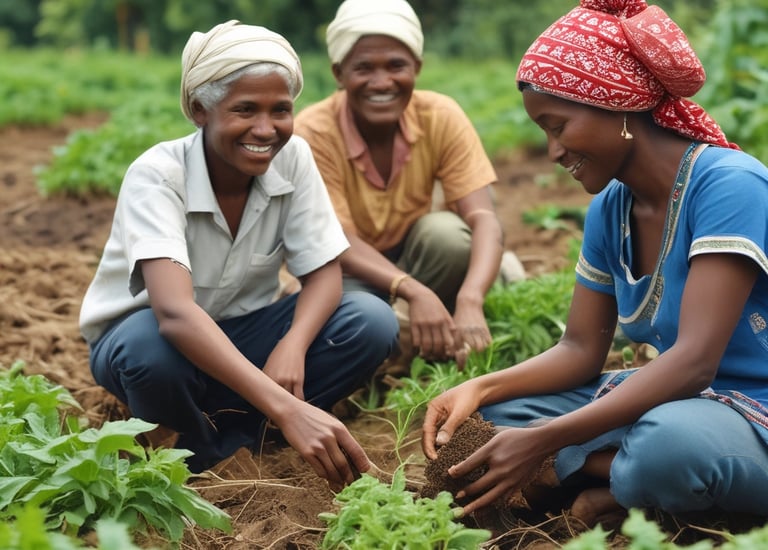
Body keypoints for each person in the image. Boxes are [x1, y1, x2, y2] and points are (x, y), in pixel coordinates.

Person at [422, 0, 768, 527]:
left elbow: (696, 360)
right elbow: (581, 348)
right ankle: (621, 481)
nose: (553, 151)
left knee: (667, 446)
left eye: (558, 126)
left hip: (749, 410)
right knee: (490, 421)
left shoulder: (728, 184)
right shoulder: (612, 206)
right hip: (678, 399)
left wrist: (549, 439)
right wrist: (481, 387)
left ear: (620, 106)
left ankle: (613, 483)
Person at [78, 20, 400, 489]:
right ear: (198, 109)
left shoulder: (293, 158)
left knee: (370, 319)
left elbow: (326, 273)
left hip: (244, 336)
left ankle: (244, 436)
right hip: (153, 345)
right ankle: (196, 451)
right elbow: (173, 313)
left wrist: (292, 345)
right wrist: (288, 404)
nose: (266, 129)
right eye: (245, 109)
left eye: (281, 110)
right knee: (150, 350)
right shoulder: (158, 175)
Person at [293, 0, 505, 369]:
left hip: (418, 258)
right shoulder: (312, 133)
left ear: (417, 68)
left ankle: (412, 334)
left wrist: (471, 298)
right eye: (363, 68)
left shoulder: (440, 115)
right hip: (344, 273)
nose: (381, 82)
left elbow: (483, 216)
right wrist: (413, 291)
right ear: (339, 73)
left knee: (450, 236)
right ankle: (408, 337)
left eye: (396, 66)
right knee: (360, 317)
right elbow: (335, 240)